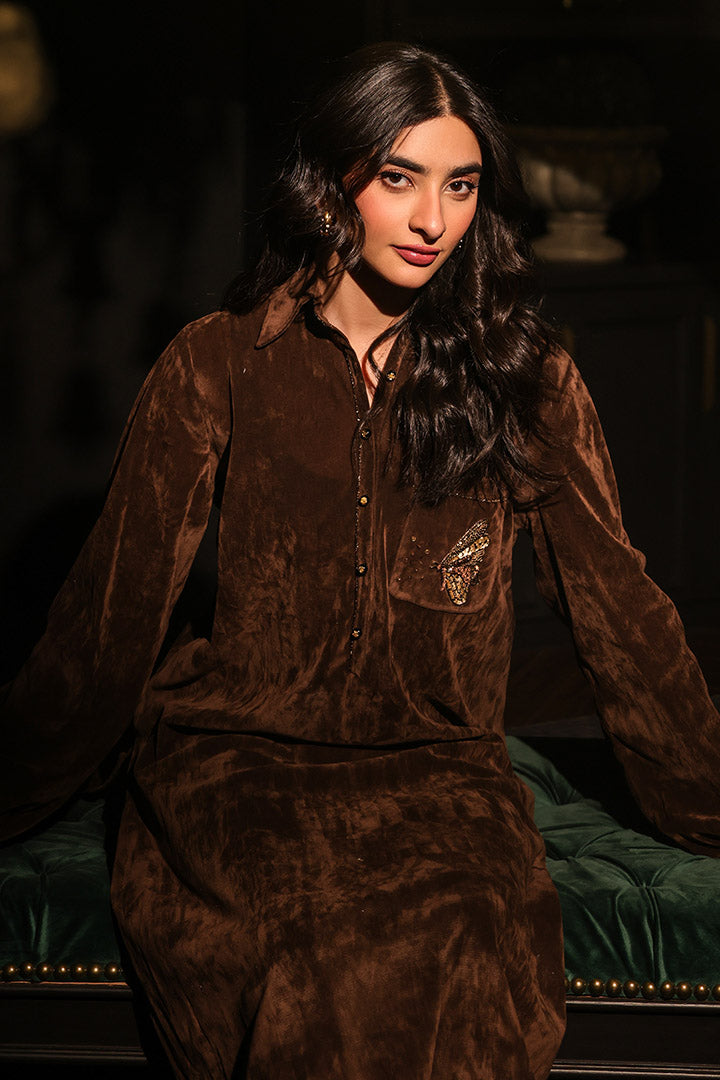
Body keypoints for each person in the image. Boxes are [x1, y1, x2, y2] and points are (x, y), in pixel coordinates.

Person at [2, 40, 719, 1080]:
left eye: (460, 186)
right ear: (332, 182)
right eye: (399, 178)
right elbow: (107, 618)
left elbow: (622, 613)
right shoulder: (217, 362)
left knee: (457, 939)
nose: (434, 219)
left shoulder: (524, 379)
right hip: (237, 763)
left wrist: (705, 797)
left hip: (439, 772)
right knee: (310, 956)